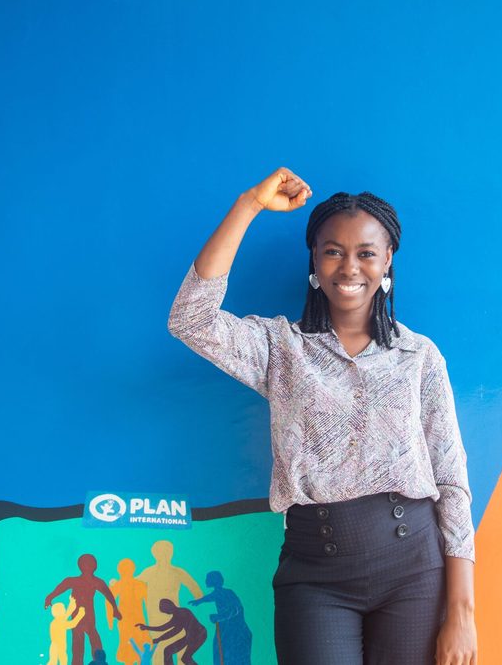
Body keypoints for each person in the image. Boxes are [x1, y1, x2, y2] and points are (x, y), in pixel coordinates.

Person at [167, 167, 478, 665]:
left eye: (366, 253)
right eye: (333, 250)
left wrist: (462, 612)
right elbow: (190, 317)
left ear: (388, 260)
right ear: (314, 259)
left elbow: (452, 480)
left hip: (413, 570)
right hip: (316, 572)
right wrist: (249, 204)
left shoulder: (420, 356)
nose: (349, 267)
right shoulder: (280, 347)